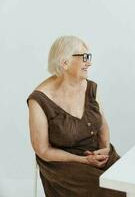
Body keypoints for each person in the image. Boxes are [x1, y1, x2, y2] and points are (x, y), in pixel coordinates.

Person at [27, 36, 126, 197]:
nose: (89, 62)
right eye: (84, 57)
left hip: (98, 153)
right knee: (112, 191)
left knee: (130, 182)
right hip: (64, 164)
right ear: (64, 63)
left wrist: (105, 149)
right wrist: (83, 160)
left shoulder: (90, 87)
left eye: (89, 57)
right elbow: (43, 150)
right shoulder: (39, 100)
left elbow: (102, 124)